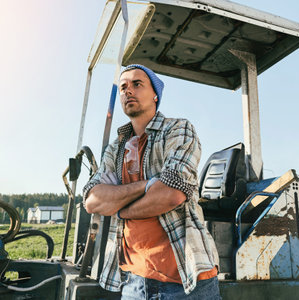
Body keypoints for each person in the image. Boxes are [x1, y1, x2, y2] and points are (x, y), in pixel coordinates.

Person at [83, 64, 220, 299]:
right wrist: (147, 185)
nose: (128, 91)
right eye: (123, 86)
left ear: (155, 94)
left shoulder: (178, 130)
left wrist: (121, 209)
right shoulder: (115, 148)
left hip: (186, 281)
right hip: (134, 283)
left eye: (137, 84)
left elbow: (171, 194)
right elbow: (93, 201)